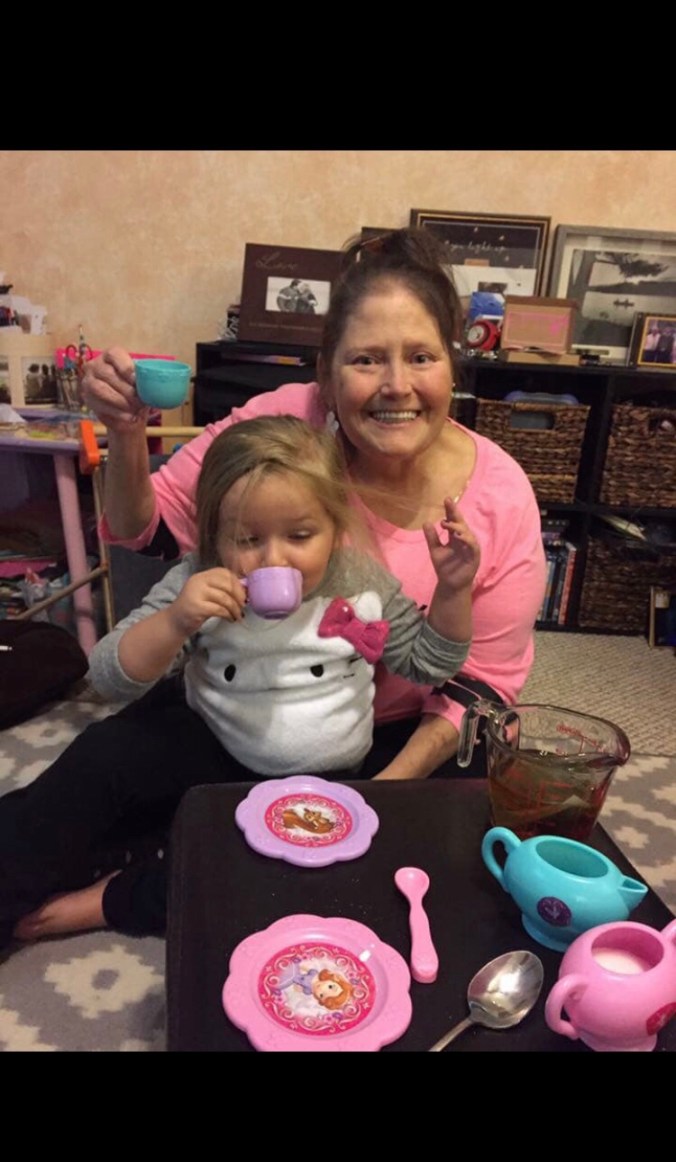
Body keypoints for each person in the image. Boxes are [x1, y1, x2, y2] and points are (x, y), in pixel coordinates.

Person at [82, 226, 547, 781]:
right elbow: (147, 531)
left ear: (452, 367)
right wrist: (127, 432)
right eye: (366, 360)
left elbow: (473, 678)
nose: (397, 385)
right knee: (96, 775)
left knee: (482, 810)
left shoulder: (496, 497)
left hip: (389, 735)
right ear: (326, 373)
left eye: (421, 357)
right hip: (233, 712)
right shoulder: (281, 428)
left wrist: (383, 792)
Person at [0, 415, 478, 946]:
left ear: (335, 526)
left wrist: (454, 591)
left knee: (283, 879)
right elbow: (110, 676)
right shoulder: (199, 577)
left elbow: (430, 666)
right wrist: (176, 620)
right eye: (247, 539)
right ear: (214, 535)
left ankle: (107, 900)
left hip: (322, 782)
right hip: (211, 746)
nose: (273, 559)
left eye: (300, 536)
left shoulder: (361, 581)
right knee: (100, 757)